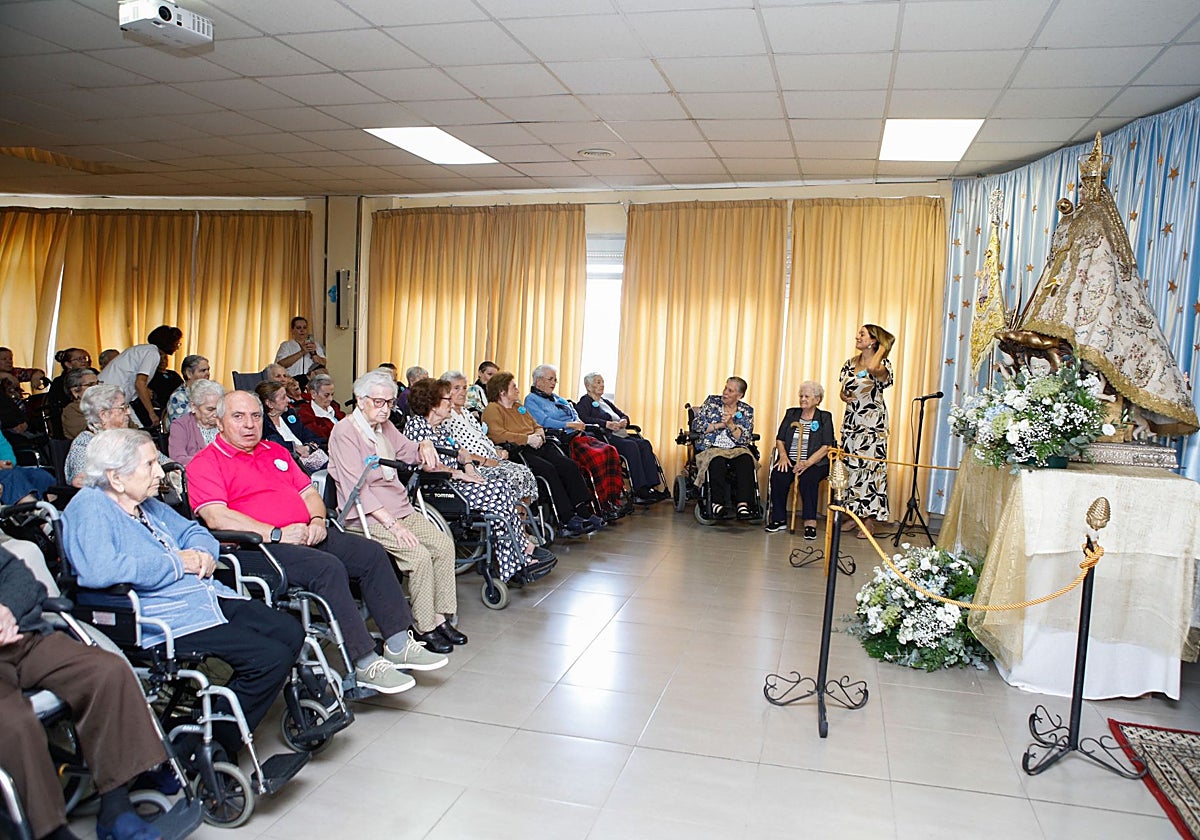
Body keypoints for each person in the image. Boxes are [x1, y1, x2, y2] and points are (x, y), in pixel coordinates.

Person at [63, 428, 304, 763]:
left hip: (202, 596)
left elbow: (194, 530)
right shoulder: (89, 507)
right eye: (149, 465)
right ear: (116, 477)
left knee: (289, 630)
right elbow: (99, 570)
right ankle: (209, 745)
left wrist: (202, 554)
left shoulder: (146, 504)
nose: (160, 472)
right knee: (268, 657)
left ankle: (210, 720)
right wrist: (177, 562)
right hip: (162, 615)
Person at [186, 391, 446, 695]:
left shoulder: (275, 451)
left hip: (305, 534)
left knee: (372, 553)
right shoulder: (205, 463)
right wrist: (277, 533)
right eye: (238, 417)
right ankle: (363, 661)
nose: (249, 424)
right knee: (327, 568)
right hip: (256, 548)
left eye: (256, 416)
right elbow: (216, 517)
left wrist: (317, 522)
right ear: (219, 422)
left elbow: (310, 494)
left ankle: (399, 642)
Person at [0, 543, 170, 840]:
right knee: (14, 723)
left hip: (22, 639)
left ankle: (116, 808)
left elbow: (22, 577)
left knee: (107, 672)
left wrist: (6, 611)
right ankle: (50, 831)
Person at [328, 371, 464, 653]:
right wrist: (394, 526)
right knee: (419, 555)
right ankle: (424, 626)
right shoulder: (344, 432)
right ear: (360, 400)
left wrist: (424, 445)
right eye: (379, 402)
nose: (385, 409)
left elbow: (407, 450)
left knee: (442, 545)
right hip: (365, 514)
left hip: (399, 506)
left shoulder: (384, 426)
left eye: (389, 403)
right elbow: (359, 490)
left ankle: (440, 618)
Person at [405, 379, 556, 583]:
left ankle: (516, 554)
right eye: (447, 399)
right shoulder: (417, 426)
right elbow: (428, 466)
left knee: (501, 488)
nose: (451, 402)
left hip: (455, 483)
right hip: (439, 488)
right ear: (432, 403)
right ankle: (516, 556)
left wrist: (468, 468)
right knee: (496, 491)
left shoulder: (440, 429)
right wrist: (459, 474)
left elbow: (463, 453)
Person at [481, 372, 602, 538]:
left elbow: (537, 425)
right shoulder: (492, 409)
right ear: (502, 392)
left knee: (568, 465)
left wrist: (538, 435)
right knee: (548, 470)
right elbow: (497, 434)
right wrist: (526, 439)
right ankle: (566, 518)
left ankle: (583, 510)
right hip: (518, 451)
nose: (517, 389)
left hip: (538, 444)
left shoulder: (518, 407)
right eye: (513, 387)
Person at [525, 364, 625, 518]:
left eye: (555, 380)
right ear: (538, 382)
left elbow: (575, 414)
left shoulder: (558, 399)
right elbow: (543, 421)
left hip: (580, 433)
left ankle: (612, 500)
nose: (553, 383)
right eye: (550, 379)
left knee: (610, 451)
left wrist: (578, 424)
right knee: (597, 458)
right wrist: (568, 424)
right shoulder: (531, 400)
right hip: (564, 438)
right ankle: (600, 505)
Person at [440, 370, 538, 503]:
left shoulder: (466, 413)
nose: (462, 392)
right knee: (515, 476)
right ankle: (511, 519)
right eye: (456, 388)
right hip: (474, 465)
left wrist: (496, 451)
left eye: (464, 388)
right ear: (445, 392)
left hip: (491, 458)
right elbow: (456, 450)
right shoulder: (445, 416)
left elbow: (482, 438)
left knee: (525, 472)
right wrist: (485, 461)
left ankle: (521, 522)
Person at [838, 324, 894, 538]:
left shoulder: (882, 363)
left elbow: (872, 370)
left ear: (873, 340)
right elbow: (844, 389)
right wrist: (844, 396)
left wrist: (883, 347)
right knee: (852, 470)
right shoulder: (849, 363)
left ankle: (869, 521)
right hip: (852, 423)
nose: (856, 336)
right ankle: (854, 517)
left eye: (862, 334)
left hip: (872, 427)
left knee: (871, 471)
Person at [576, 372, 667, 504]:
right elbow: (583, 418)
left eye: (602, 382)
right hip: (606, 437)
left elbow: (623, 415)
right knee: (631, 446)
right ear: (588, 386)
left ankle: (651, 486)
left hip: (621, 434)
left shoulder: (605, 401)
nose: (602, 385)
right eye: (598, 382)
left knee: (644, 443)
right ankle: (639, 490)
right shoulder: (585, 401)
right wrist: (606, 424)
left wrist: (624, 421)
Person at [765, 381, 836, 539]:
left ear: (817, 400)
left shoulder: (824, 417)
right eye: (801, 396)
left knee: (808, 479)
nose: (802, 399)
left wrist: (807, 463)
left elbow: (826, 446)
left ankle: (810, 523)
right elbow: (780, 439)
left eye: (807, 396)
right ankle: (779, 519)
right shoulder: (791, 414)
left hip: (815, 462)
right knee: (778, 475)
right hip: (790, 459)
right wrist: (783, 456)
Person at [66, 384, 170, 488]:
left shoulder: (129, 438)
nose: (128, 412)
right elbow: (80, 481)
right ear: (104, 415)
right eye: (123, 408)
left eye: (127, 407)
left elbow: (165, 461)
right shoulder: (85, 443)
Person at [691, 377, 758, 519]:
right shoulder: (712, 402)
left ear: (739, 395)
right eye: (725, 388)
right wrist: (720, 425)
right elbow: (697, 425)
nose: (725, 393)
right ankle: (716, 504)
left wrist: (731, 425)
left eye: (730, 390)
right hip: (712, 447)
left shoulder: (746, 411)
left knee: (746, 460)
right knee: (717, 462)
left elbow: (745, 438)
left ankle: (743, 505)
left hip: (736, 449)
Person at [97, 325, 183, 428]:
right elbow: (140, 383)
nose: (178, 346)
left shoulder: (142, 350)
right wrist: (151, 413)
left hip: (114, 397)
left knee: (137, 429)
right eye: (177, 342)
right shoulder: (152, 353)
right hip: (108, 398)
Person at [255, 380, 326, 474]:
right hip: (291, 468)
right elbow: (275, 445)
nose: (288, 400)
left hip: (312, 457)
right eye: (283, 397)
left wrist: (308, 448)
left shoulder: (288, 415)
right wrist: (295, 448)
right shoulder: (264, 425)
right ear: (270, 404)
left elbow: (310, 435)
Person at [167, 379, 224, 466]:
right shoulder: (180, 426)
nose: (216, 414)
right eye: (210, 409)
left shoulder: (225, 423)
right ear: (194, 406)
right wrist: (211, 461)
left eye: (218, 408)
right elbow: (178, 459)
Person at [0, 427, 54, 506]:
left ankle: (51, 504)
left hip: (6, 469)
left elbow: (3, 446)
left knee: (40, 475)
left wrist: (8, 462)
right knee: (12, 476)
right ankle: (29, 508)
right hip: (6, 474)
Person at [45, 348, 92, 433]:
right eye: (80, 359)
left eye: (86, 358)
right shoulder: (59, 383)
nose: (84, 361)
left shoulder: (94, 374)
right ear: (68, 364)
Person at [275, 316, 327, 387]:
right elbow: (281, 364)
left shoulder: (315, 345)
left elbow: (323, 363)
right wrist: (302, 352)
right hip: (292, 383)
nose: (302, 330)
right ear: (292, 330)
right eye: (299, 328)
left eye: (304, 328)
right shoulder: (286, 345)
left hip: (311, 384)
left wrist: (314, 354)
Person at [164, 354, 211, 428]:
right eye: (203, 370)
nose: (207, 374)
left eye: (208, 370)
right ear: (188, 373)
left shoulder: (209, 393)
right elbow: (187, 426)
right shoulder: (178, 397)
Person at [294, 373, 344, 440]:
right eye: (326, 395)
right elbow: (320, 435)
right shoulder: (305, 413)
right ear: (313, 394)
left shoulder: (334, 407)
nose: (330, 399)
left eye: (332, 394)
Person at [60, 366, 99, 440]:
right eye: (90, 385)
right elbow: (88, 435)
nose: (97, 388)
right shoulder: (71, 411)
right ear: (75, 391)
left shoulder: (105, 404)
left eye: (98, 383)